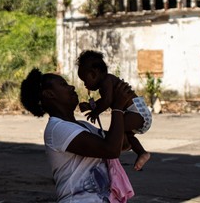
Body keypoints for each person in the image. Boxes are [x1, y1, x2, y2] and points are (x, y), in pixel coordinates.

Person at [20, 68, 133, 202]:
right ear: (49, 94)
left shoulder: (83, 126)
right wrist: (117, 107)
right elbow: (111, 149)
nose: (71, 87)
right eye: (63, 85)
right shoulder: (58, 128)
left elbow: (123, 143)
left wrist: (131, 109)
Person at [76, 50, 152, 171]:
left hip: (136, 112)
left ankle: (115, 149)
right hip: (137, 114)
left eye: (85, 80)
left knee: (116, 130)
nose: (85, 85)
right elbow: (107, 100)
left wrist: (95, 112)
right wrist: (92, 105)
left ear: (94, 73)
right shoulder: (107, 83)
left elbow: (107, 101)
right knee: (127, 135)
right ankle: (142, 153)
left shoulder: (107, 81)